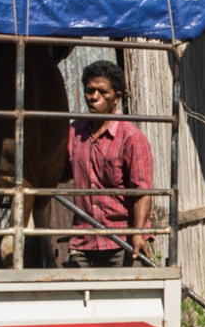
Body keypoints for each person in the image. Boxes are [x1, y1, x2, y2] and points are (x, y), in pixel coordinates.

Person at [66, 59, 155, 268]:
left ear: (117, 98)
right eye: (90, 91)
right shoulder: (74, 132)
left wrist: (139, 234)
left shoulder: (130, 138)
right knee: (80, 298)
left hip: (122, 241)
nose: (94, 98)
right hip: (83, 240)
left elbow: (142, 192)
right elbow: (60, 171)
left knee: (124, 299)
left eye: (102, 92)